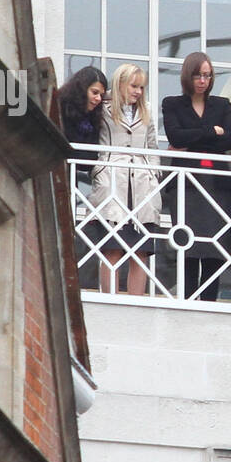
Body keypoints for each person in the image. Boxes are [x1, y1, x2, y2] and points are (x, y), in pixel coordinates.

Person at [161, 51, 231, 302]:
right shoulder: (172, 103)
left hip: (217, 184)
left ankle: (209, 302)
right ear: (188, 76)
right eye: (198, 75)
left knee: (214, 247)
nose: (203, 80)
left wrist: (194, 136)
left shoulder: (222, 104)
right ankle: (187, 299)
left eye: (207, 75)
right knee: (188, 244)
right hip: (187, 183)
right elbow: (175, 137)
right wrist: (211, 132)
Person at [87, 63, 160, 296]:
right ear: (120, 84)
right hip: (112, 180)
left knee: (141, 250)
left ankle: (137, 301)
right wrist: (98, 170)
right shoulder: (104, 108)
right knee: (113, 249)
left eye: (141, 87)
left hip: (141, 184)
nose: (138, 91)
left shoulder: (146, 110)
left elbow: (152, 147)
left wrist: (154, 174)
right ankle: (111, 298)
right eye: (134, 86)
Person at [57, 65, 108, 289]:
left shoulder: (93, 118)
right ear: (81, 89)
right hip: (54, 170)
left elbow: (89, 158)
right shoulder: (60, 105)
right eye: (94, 92)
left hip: (70, 177)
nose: (98, 99)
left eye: (101, 95)